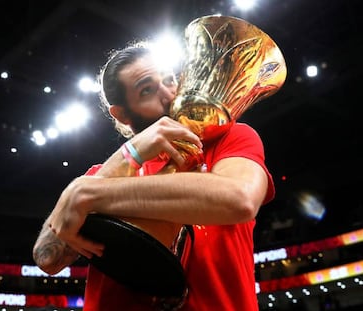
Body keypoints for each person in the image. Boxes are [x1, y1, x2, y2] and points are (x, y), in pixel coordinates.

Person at [32, 42, 275, 311]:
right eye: (147, 89)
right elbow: (48, 258)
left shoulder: (232, 138)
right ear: (122, 115)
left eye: (170, 79)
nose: (169, 94)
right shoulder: (100, 176)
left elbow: (239, 199)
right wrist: (130, 154)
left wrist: (89, 195)